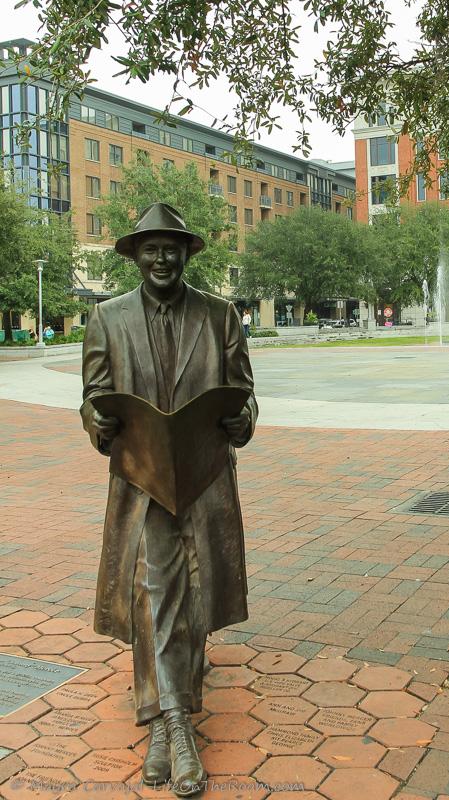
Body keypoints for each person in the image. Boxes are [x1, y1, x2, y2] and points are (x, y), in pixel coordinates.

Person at [80, 203, 257, 796]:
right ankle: (174, 724)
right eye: (150, 248)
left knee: (196, 590)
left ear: (186, 254)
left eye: (171, 248)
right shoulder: (107, 319)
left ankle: (165, 715)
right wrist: (96, 422)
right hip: (142, 479)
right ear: (134, 255)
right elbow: (94, 395)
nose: (162, 258)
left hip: (204, 476)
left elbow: (245, 395)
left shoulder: (220, 316)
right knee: (156, 591)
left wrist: (242, 422)